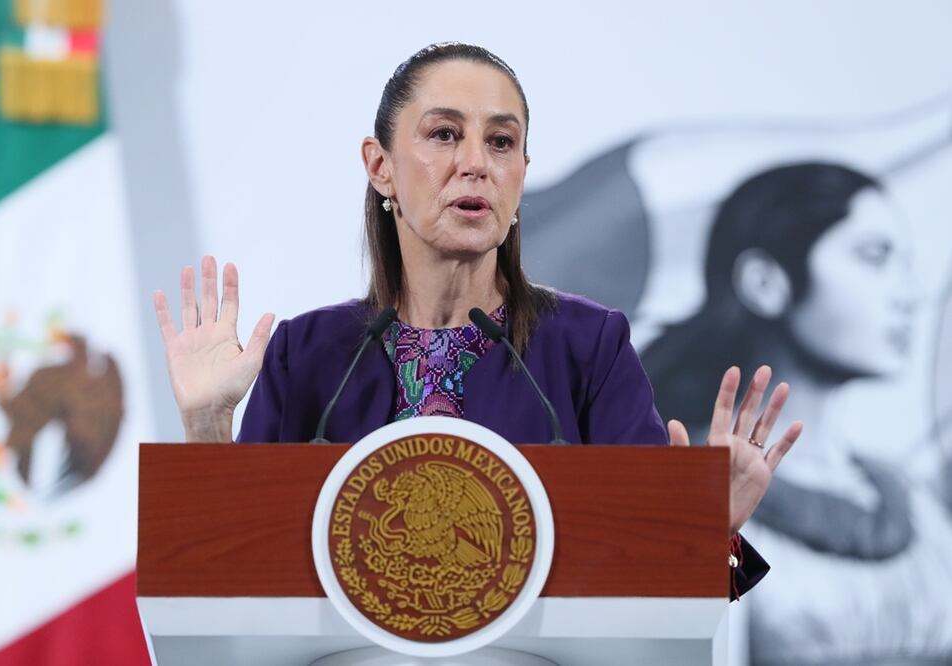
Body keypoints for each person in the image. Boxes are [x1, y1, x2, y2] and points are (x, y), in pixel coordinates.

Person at [152, 42, 803, 598]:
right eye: (443, 134)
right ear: (380, 167)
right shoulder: (309, 353)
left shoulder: (588, 347)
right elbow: (230, 584)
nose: (476, 163)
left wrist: (712, 533)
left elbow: (657, 599)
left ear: (521, 175)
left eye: (501, 141)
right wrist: (206, 426)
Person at [643, 162, 952, 663]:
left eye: (906, 264)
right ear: (766, 282)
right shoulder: (684, 479)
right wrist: (704, 534)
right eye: (875, 257)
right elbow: (661, 644)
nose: (911, 295)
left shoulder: (917, 504)